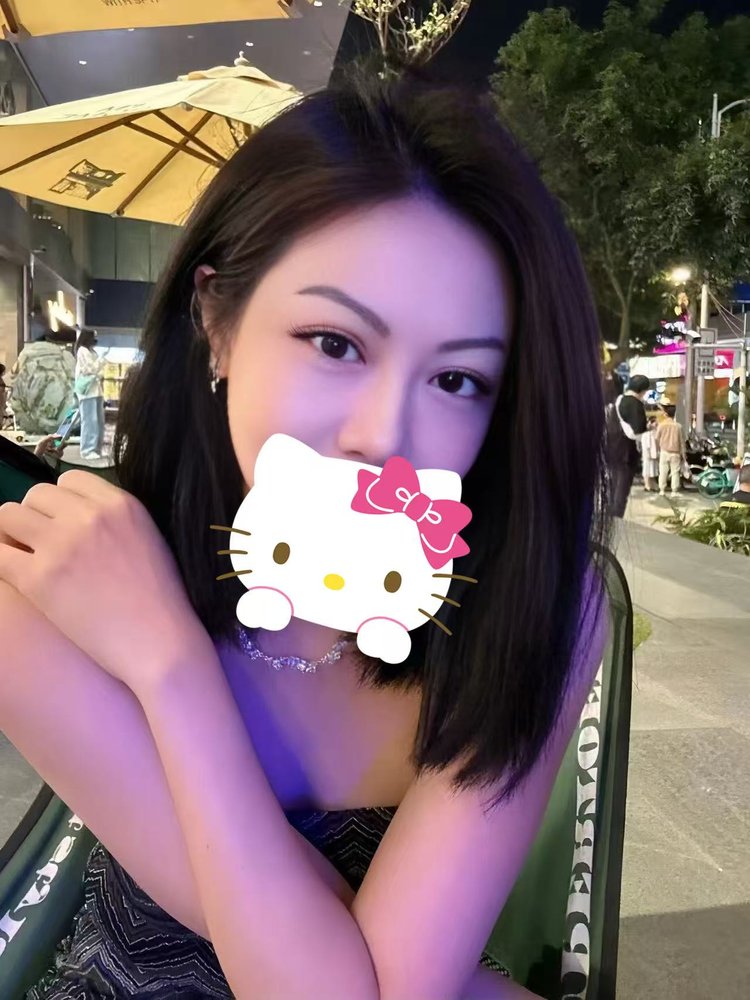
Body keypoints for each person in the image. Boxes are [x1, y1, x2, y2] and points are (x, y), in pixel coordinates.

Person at [0, 68, 610, 1000]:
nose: (383, 435)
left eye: (456, 381)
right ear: (217, 323)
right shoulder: (57, 586)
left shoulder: (538, 605)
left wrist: (171, 670)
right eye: (335, 343)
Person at [4, 326, 76, 436]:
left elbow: (11, 383)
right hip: (61, 428)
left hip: (32, 428)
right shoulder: (67, 358)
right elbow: (75, 394)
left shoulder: (25, 356)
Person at [606, 373, 650, 517]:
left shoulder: (619, 400)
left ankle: (609, 518)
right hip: (627, 452)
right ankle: (616, 520)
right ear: (642, 390)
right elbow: (638, 430)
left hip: (613, 449)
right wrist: (650, 428)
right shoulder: (635, 404)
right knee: (621, 490)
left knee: (613, 487)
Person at [74, 328, 109, 460]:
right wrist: (101, 360)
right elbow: (91, 369)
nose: (95, 340)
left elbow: (96, 370)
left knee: (99, 422)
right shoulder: (82, 351)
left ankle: (96, 448)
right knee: (90, 421)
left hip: (96, 391)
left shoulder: (92, 352)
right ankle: (87, 450)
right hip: (87, 393)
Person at [654, 404, 686, 499]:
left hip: (664, 451)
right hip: (675, 453)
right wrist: (683, 454)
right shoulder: (678, 426)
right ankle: (674, 491)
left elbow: (656, 439)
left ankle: (662, 490)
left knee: (663, 472)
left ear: (666, 414)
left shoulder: (661, 425)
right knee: (675, 472)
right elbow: (682, 442)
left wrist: (658, 449)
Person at [640, 415, 659, 492]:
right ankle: (647, 485)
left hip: (654, 454)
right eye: (655, 422)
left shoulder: (655, 433)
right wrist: (647, 454)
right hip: (648, 455)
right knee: (647, 470)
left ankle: (652, 485)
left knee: (653, 470)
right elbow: (646, 446)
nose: (657, 424)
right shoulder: (647, 434)